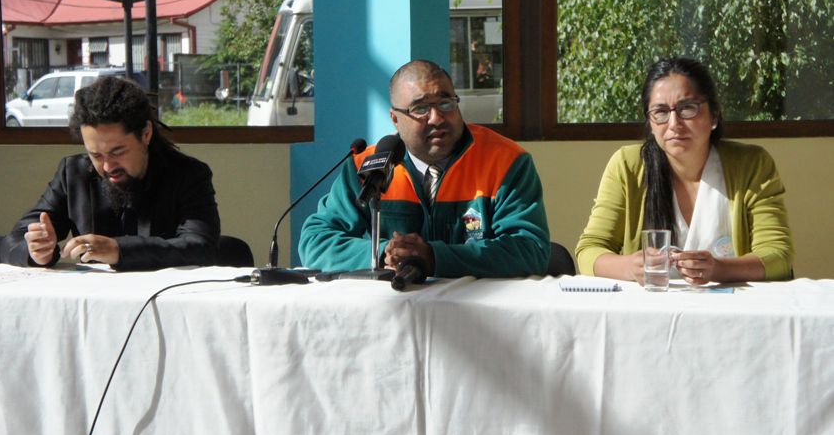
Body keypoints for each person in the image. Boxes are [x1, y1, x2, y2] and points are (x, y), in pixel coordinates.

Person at [299, 59, 550, 278]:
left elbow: (530, 249)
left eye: (445, 103)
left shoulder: (505, 161)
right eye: (420, 109)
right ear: (395, 119)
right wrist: (384, 252)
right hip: (395, 312)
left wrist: (435, 257)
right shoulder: (367, 166)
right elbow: (315, 242)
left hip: (482, 315)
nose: (436, 118)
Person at [576, 57, 793, 284]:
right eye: (660, 112)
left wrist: (719, 269)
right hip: (651, 312)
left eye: (687, 108)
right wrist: (630, 267)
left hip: (732, 311)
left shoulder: (752, 164)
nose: (674, 124)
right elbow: (589, 250)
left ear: (714, 115)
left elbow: (778, 255)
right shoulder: (627, 165)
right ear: (649, 122)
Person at [0, 76, 221, 271]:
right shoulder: (73, 173)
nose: (107, 167)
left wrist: (119, 250)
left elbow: (200, 246)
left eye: (117, 151)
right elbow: (13, 240)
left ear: (145, 134)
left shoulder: (188, 175)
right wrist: (37, 250)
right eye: (95, 155)